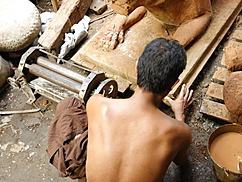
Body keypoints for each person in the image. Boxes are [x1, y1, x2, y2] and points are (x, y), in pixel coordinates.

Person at [47, 38, 194, 182]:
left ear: (137, 68)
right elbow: (180, 161)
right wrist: (179, 116)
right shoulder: (180, 132)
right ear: (174, 84)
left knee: (69, 104)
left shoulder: (98, 104)